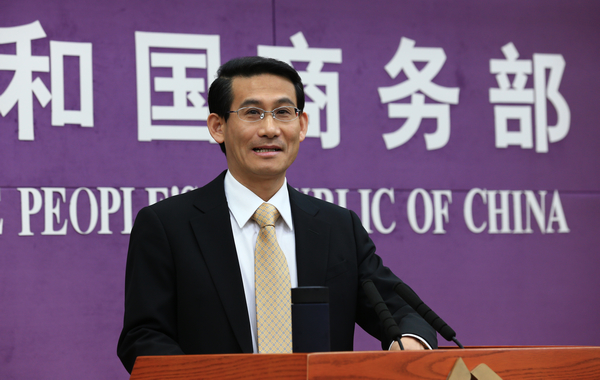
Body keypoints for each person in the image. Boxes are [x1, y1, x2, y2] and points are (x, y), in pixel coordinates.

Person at [117, 56, 437, 373]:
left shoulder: (339, 227)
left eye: (283, 113)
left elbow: (401, 311)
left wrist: (410, 341)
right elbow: (144, 336)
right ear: (218, 127)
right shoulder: (167, 226)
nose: (270, 129)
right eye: (252, 113)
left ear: (302, 125)